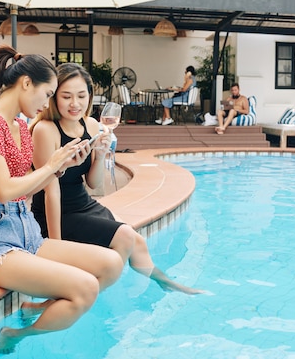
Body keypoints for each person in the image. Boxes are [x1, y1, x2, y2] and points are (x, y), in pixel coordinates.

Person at [0, 46, 124, 354]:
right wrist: (50, 166)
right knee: (85, 288)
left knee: (112, 264)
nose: (47, 103)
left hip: (26, 231)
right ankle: (17, 335)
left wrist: (62, 167)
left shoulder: (19, 125)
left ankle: (38, 310)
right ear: (26, 83)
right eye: (47, 93)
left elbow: (25, 190)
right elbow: (4, 190)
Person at [30, 62, 202, 294]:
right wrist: (58, 248)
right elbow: (51, 193)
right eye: (66, 96)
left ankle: (165, 284)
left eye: (81, 96)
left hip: (83, 204)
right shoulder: (45, 130)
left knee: (136, 241)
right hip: (57, 213)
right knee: (124, 237)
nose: (75, 104)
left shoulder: (90, 125)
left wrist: (100, 155)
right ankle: (71, 295)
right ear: (54, 97)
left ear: (90, 96)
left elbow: (94, 184)